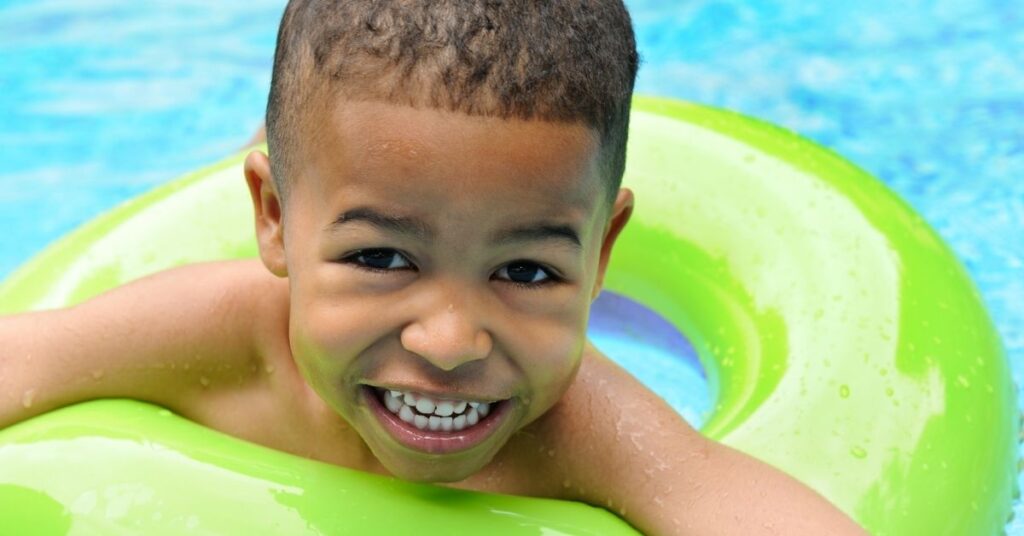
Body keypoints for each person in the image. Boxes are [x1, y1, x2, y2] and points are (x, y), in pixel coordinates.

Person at [0, 1, 865, 533]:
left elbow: (733, 507)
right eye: (381, 257)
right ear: (270, 219)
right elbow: (24, 359)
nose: (450, 342)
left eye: (525, 271)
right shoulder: (217, 338)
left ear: (602, 255)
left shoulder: (580, 428)